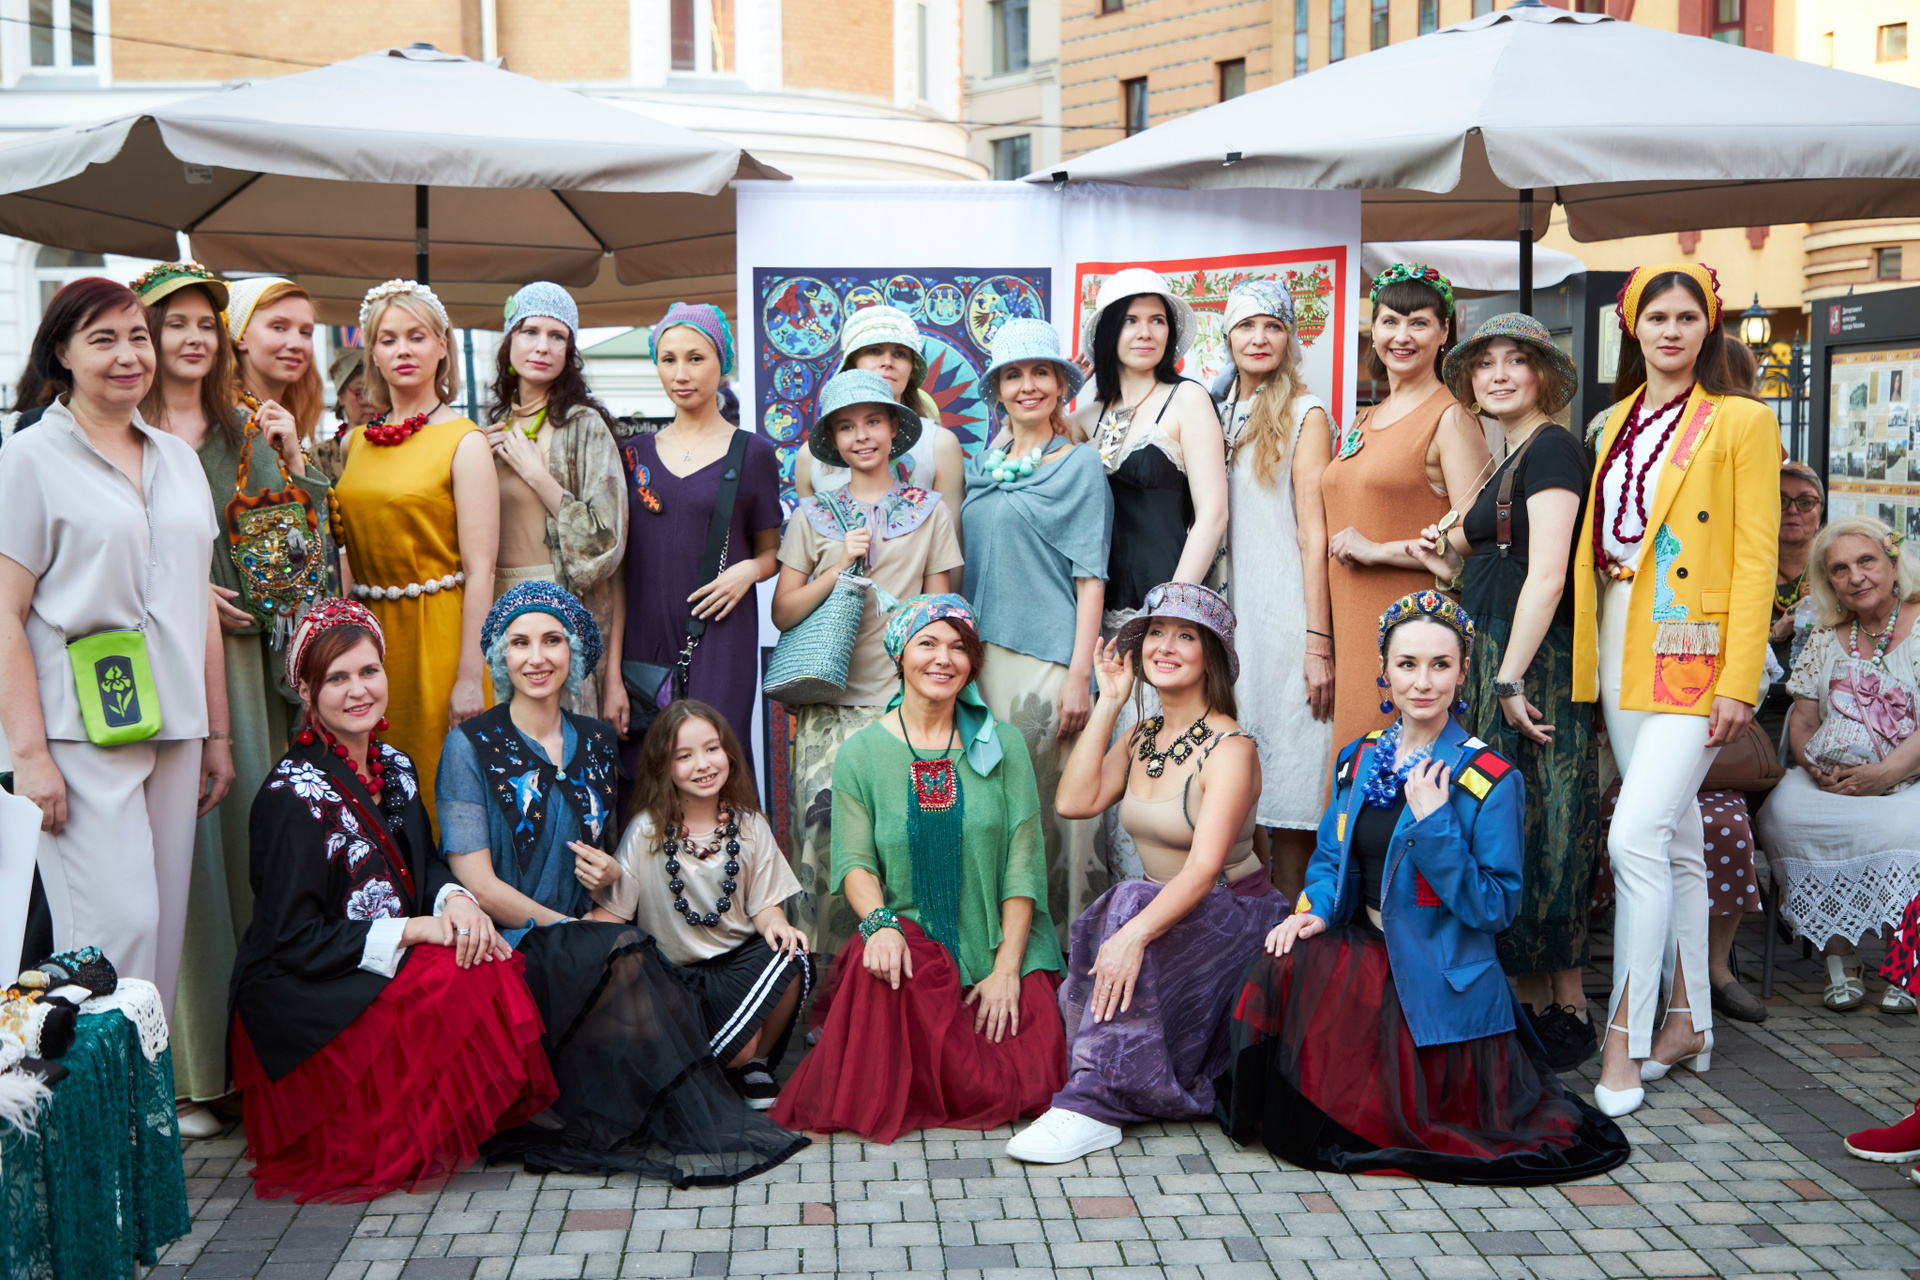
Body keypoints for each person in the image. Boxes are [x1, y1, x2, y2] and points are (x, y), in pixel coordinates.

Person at [1215, 590, 1630, 1185]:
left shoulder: (1491, 778)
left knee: (1409, 1126)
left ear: (1463, 673)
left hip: (1441, 969)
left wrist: (1437, 827)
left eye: (1440, 664)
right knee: (1283, 957)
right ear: (1385, 670)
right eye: (1407, 664)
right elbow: (1332, 858)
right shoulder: (1358, 758)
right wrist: (1317, 911)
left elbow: (1494, 907)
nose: (1423, 682)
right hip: (1367, 949)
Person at [437, 580, 807, 1182]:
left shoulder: (597, 740)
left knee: (650, 976)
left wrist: (609, 876)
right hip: (519, 936)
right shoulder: (468, 745)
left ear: (575, 651)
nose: (537, 657)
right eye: (520, 642)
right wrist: (574, 932)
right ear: (499, 654)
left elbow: (611, 855)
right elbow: (476, 883)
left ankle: (706, 1076)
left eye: (552, 640)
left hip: (596, 929)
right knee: (636, 968)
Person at [228, 599, 554, 1204]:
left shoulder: (395, 767)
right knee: (455, 974)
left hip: (371, 958)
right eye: (337, 678)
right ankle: (391, 1131)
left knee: (482, 953)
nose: (358, 691)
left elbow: (424, 863)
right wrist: (416, 931)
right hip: (307, 985)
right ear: (306, 691)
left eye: (368, 671)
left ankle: (439, 1120)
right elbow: (293, 940)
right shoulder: (289, 797)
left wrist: (455, 900)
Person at [1572, 262, 1780, 1117]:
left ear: (1708, 326)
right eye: (1655, 316)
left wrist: (1741, 680)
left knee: (1633, 837)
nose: (1670, 330)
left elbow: (1756, 557)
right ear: (1633, 326)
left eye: (1686, 316)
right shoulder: (1612, 420)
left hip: (1697, 654)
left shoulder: (1742, 420)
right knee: (1679, 838)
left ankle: (1624, 1037)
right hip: (1620, 644)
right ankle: (1691, 1020)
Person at [0, 278, 232, 1025]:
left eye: (137, 337)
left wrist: (218, 733)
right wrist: (29, 756)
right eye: (103, 339)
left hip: (176, 727)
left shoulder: (178, 458)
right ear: (61, 355)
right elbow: (4, 612)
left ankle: (140, 1098)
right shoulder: (28, 458)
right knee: (111, 936)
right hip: (76, 735)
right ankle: (85, 1099)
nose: (128, 355)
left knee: (159, 946)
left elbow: (197, 601)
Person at [135, 261, 333, 1130]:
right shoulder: (118, 429)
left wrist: (295, 464)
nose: (192, 338)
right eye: (172, 323)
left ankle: (257, 1065)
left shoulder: (245, 430)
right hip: (145, 667)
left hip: (243, 673)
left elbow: (299, 567)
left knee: (252, 849)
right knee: (172, 866)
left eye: (203, 324)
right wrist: (173, 589)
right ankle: (189, 1072)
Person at [771, 595, 1067, 1143]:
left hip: (1000, 943)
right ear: (899, 654)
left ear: (972, 663)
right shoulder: (861, 753)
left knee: (1026, 1080)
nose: (943, 658)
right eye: (927, 643)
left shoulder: (1003, 744)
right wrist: (879, 924)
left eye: (959, 647)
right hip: (913, 946)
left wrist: (1006, 970)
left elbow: (1023, 864)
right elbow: (855, 862)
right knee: (881, 973)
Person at [1006, 582, 1284, 1163]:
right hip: (1168, 906)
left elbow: (1204, 870)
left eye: (1185, 636)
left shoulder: (1232, 748)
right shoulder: (1143, 736)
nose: (1165, 646)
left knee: (1129, 903)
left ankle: (1094, 1104)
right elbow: (1074, 801)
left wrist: (1132, 935)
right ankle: (1098, 1082)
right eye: (1156, 633)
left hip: (1233, 914)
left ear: (1211, 656)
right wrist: (1109, 702)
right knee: (1126, 903)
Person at [1408, 312, 1599, 1071]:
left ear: (1544, 376)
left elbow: (1547, 575)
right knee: (1504, 821)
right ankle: (1520, 998)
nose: (1498, 374)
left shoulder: (1552, 448)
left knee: (1549, 821)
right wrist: (1442, 555)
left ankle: (1567, 1006)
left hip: (1533, 659)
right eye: (1485, 362)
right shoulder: (1507, 455)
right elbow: (1475, 561)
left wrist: (1512, 676)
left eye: (1516, 360)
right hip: (1494, 649)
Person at [773, 368, 963, 955]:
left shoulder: (930, 511)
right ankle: (825, 982)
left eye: (873, 421)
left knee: (906, 843)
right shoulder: (811, 515)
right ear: (833, 439)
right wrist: (837, 569)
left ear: (893, 429)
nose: (862, 436)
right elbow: (783, 611)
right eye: (847, 426)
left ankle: (915, 971)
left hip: (908, 708)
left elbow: (940, 616)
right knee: (825, 842)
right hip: (829, 707)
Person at [959, 317, 1113, 932]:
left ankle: (1063, 961)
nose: (1027, 386)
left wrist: (1080, 677)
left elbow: (1091, 578)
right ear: (998, 390)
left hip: (1049, 664)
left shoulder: (1080, 466)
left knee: (1048, 814)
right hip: (981, 667)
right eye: (1013, 375)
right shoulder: (981, 465)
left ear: (1060, 385)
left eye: (1040, 373)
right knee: (992, 812)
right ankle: (998, 951)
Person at [331, 279, 498, 821]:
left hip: (440, 636)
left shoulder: (464, 441)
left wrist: (470, 675)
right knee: (370, 793)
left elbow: (481, 569)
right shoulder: (354, 442)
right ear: (373, 354)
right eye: (388, 339)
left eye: (417, 336)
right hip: (367, 641)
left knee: (438, 788)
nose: (403, 350)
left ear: (442, 346)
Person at [595, 700, 810, 1109]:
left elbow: (766, 907)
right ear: (664, 766)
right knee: (735, 1048)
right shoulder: (645, 832)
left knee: (792, 952)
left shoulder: (751, 825)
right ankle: (725, 1059)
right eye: (684, 756)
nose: (703, 764)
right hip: (674, 977)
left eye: (712, 748)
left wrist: (776, 924)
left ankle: (756, 1064)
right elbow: (613, 916)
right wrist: (568, 940)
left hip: (739, 966)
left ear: (729, 752)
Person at [1323, 264, 1492, 761]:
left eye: (1419, 322)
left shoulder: (1451, 417)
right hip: (1352, 627)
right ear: (1373, 329)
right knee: (1354, 771)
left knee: (1399, 774)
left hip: (1413, 633)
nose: (1402, 336)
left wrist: (1379, 551)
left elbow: (1475, 530)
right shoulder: (1365, 418)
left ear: (1443, 332)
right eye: (1390, 321)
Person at [1755, 516, 1920, 1015]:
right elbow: (1804, 720)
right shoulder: (1828, 635)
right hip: (1836, 776)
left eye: (1867, 561)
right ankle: (1840, 954)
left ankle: (1906, 959)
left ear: (1893, 562)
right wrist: (1816, 769)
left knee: (1907, 826)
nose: (1856, 577)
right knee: (1784, 814)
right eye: (1840, 569)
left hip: (1910, 774)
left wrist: (1886, 774)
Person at [607, 303, 780, 773]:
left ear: (722, 363)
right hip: (642, 644)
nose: (681, 373)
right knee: (647, 774)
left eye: (696, 358)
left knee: (717, 767)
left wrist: (748, 570)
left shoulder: (754, 453)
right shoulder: (632, 455)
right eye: (668, 359)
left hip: (722, 638)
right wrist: (612, 673)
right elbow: (618, 573)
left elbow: (771, 551)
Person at [1211, 279, 1335, 901]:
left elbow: (1315, 534)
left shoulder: (1306, 413)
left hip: (1285, 622)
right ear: (1227, 337)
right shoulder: (1211, 410)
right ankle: (1254, 936)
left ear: (1290, 338)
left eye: (1273, 326)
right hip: (1226, 626)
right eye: (1246, 325)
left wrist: (1318, 641)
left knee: (1289, 792)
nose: (1258, 338)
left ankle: (1294, 938)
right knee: (1235, 797)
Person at [483, 282, 627, 718]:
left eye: (557, 336)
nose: (542, 346)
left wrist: (536, 475)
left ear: (569, 350)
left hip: (561, 606)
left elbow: (606, 544)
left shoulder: (585, 426)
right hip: (495, 608)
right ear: (509, 341)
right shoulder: (489, 429)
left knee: (561, 738)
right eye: (529, 331)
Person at [793, 304, 968, 533]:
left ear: (911, 370)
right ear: (852, 363)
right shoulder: (809, 457)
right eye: (874, 350)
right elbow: (807, 545)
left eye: (900, 353)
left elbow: (950, 541)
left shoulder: (939, 443)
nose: (888, 362)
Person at [226, 277, 327, 444]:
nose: (296, 344)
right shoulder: (234, 425)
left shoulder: (281, 417)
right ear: (242, 335)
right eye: (278, 327)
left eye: (305, 332)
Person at [312, 347, 376, 484]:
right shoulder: (320, 457)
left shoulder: (400, 447)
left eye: (378, 392)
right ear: (341, 395)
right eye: (361, 391)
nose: (372, 401)